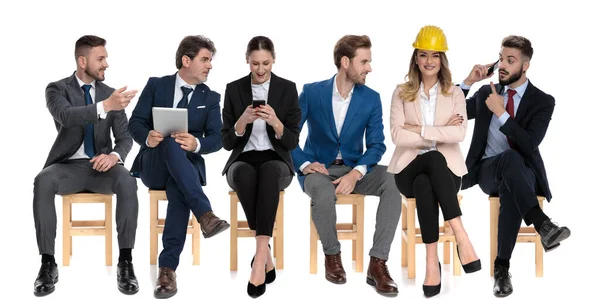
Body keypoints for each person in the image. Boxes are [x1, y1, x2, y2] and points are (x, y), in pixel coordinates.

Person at [459, 35, 570, 297]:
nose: (503, 65)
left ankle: (501, 271)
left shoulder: (543, 101)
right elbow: (452, 112)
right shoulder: (488, 92)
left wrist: (502, 113)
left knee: (512, 169)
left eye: (511, 60)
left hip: (523, 175)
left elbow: (530, 143)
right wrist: (469, 81)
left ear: (525, 65)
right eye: (501, 59)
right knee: (508, 161)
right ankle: (542, 224)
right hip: (487, 172)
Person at [291, 34, 401, 296]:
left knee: (394, 180)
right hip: (319, 170)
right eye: (364, 62)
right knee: (323, 191)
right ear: (345, 62)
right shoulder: (311, 92)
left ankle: (378, 263)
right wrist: (305, 164)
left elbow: (377, 145)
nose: (369, 68)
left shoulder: (371, 98)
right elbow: (287, 136)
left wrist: (356, 172)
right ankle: (333, 256)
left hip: (356, 168)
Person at [33, 35, 139, 296]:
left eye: (105, 58)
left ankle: (125, 261)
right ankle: (47, 264)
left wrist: (114, 156)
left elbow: (125, 138)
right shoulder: (56, 89)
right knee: (42, 180)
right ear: (83, 61)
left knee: (127, 180)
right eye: (100, 58)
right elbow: (67, 117)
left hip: (101, 169)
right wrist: (104, 106)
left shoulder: (110, 94)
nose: (106, 64)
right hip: (67, 167)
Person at [128, 35, 229, 299]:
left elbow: (217, 139)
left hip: (185, 170)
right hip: (153, 165)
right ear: (186, 60)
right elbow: (135, 123)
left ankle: (167, 270)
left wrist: (196, 143)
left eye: (210, 60)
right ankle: (206, 214)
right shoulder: (156, 85)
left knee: (179, 189)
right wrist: (147, 136)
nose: (210, 66)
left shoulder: (211, 97)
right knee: (170, 144)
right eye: (205, 60)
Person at [387, 25, 481, 298]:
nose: (429, 61)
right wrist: (438, 133)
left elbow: (460, 133)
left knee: (427, 179)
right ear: (416, 58)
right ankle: (462, 237)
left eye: (435, 55)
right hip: (406, 167)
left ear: (443, 60)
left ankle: (431, 262)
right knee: (432, 160)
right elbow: (396, 135)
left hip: (446, 171)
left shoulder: (454, 93)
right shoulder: (401, 91)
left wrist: (417, 130)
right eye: (424, 55)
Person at [221, 36, 301, 298]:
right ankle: (264, 254)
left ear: (274, 60)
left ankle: (258, 262)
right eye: (255, 63)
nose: (260, 69)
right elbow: (226, 141)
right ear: (247, 61)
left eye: (266, 63)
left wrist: (277, 123)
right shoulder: (234, 89)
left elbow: (291, 141)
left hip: (276, 160)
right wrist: (241, 122)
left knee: (267, 172)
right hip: (243, 158)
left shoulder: (287, 89)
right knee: (244, 173)